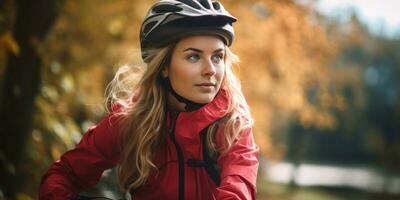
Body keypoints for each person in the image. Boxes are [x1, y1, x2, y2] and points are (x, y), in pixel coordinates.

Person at [39, 0, 259, 199]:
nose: (210, 70)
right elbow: (62, 175)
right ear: (164, 66)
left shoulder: (233, 125)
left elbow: (238, 190)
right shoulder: (131, 119)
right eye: (194, 56)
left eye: (217, 57)